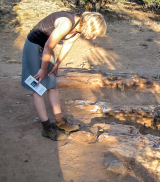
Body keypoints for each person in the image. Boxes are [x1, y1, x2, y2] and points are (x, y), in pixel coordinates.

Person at [21, 11, 107, 141]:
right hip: (34, 46)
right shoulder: (67, 23)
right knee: (38, 88)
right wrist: (43, 69)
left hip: (46, 48)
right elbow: (49, 46)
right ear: (89, 26)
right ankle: (47, 128)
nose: (94, 38)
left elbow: (68, 44)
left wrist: (57, 64)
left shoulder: (79, 27)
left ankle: (60, 122)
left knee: (52, 85)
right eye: (94, 33)